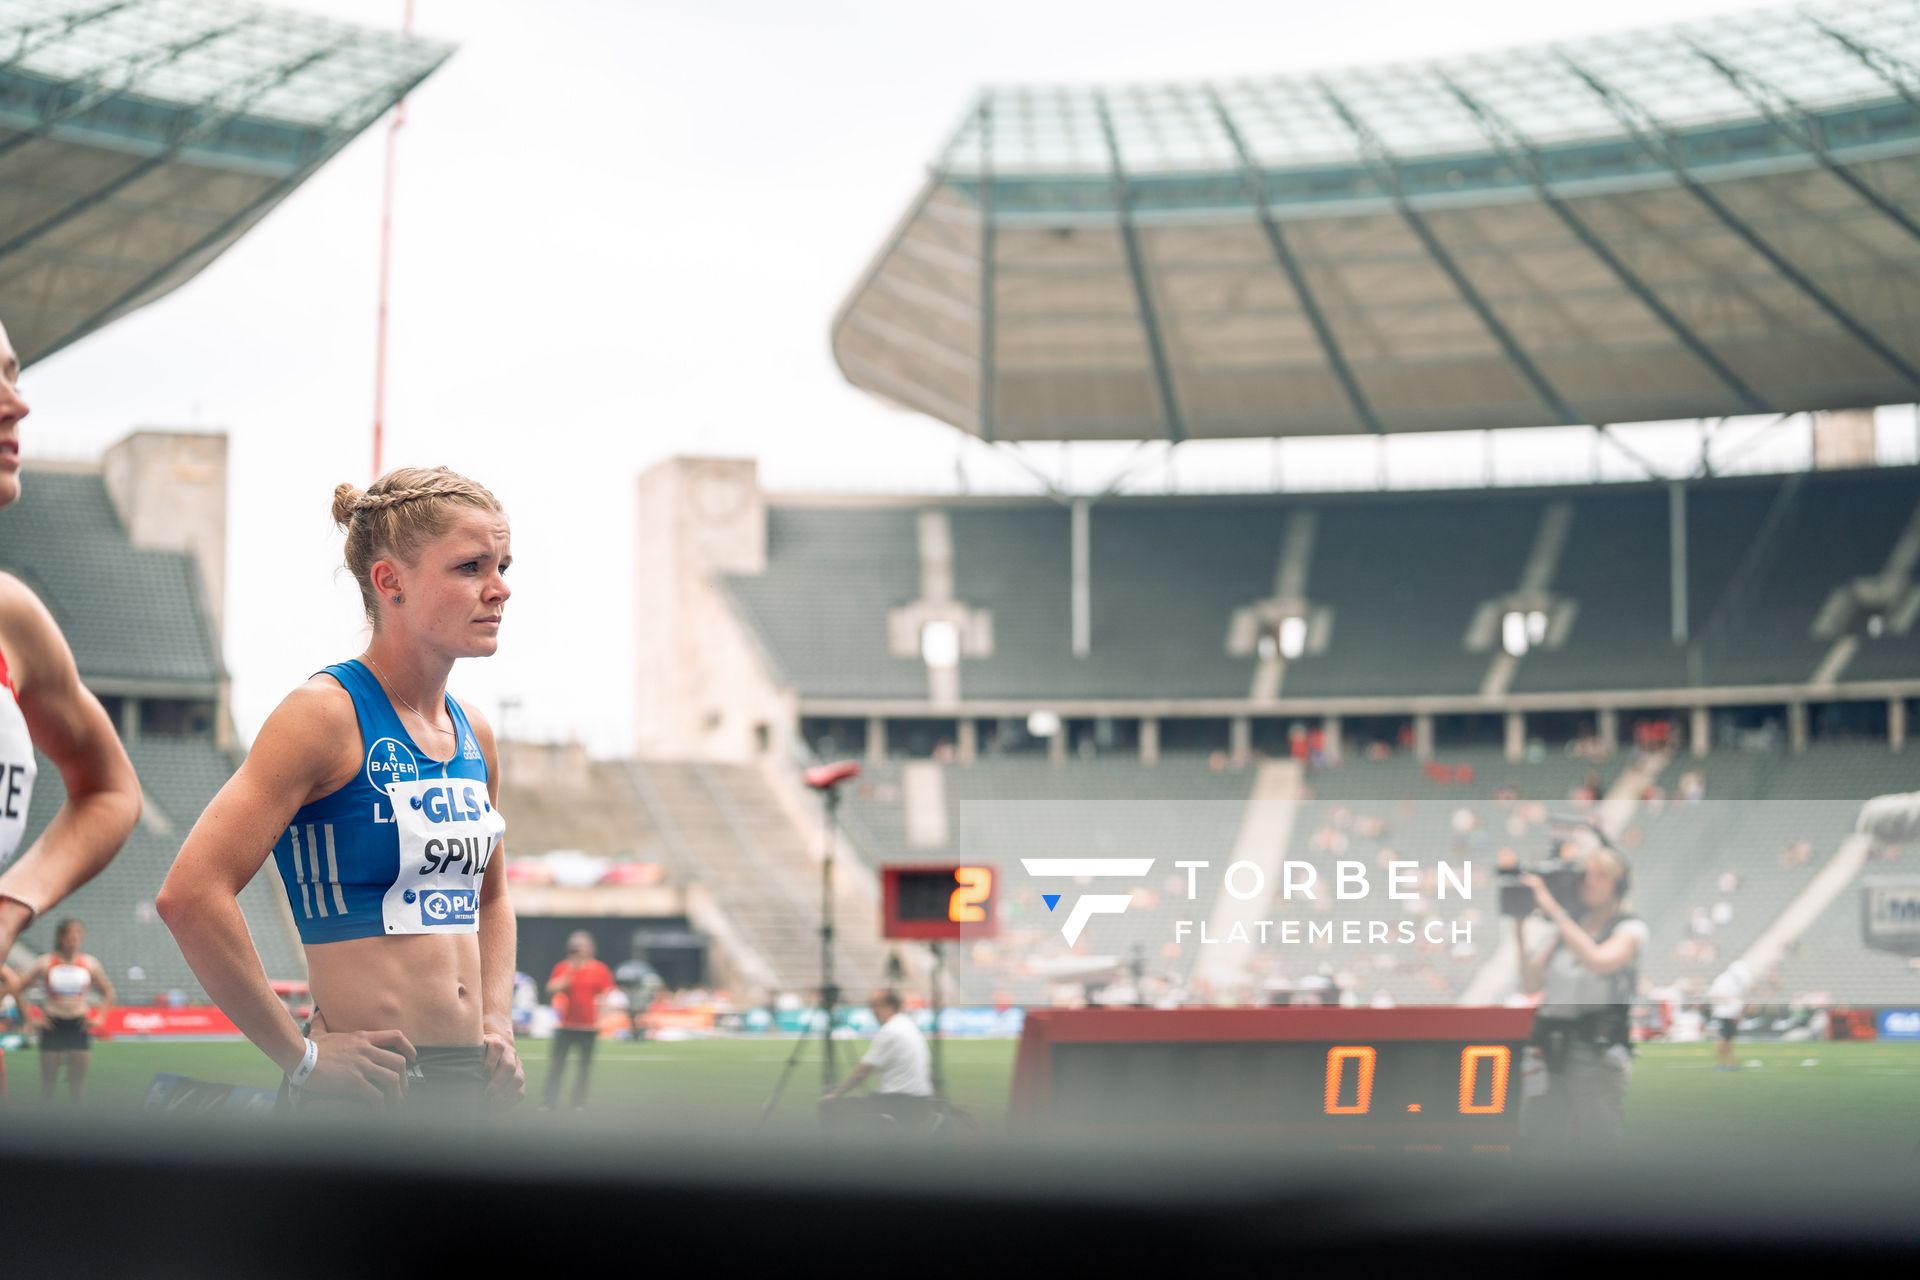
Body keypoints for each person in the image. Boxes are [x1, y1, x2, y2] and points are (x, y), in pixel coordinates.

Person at [158, 467, 524, 1122]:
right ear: (391, 583)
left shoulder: (476, 734)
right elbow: (189, 894)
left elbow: (491, 898)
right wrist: (301, 1057)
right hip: (369, 1094)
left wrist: (497, 1020)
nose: (500, 589)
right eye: (471, 567)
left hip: (472, 1089)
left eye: (502, 564)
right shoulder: (322, 716)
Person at [0, 317, 141, 1007]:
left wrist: (8, 907)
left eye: (12, 373)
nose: (18, 403)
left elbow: (110, 793)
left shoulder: (12, 619)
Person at [1518, 848, 1645, 1157]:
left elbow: (1599, 960)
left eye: (1601, 875)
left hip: (1595, 1051)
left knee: (1599, 1147)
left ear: (1620, 885)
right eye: (1586, 873)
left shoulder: (1629, 928)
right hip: (1551, 1048)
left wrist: (1554, 908)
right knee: (1538, 1145)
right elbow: (1531, 982)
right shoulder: (1565, 930)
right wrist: (1517, 925)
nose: (1589, 881)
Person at [4, 918, 113, 1103]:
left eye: (78, 934)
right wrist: (30, 1018)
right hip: (52, 1024)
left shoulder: (89, 963)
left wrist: (100, 1017)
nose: (73, 939)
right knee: (48, 1086)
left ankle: (76, 1125)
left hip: (78, 1024)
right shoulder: (45, 963)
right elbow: (17, 989)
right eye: (69, 934)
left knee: (77, 1087)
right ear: (60, 937)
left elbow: (108, 992)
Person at [820, 989, 934, 1129]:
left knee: (829, 1106)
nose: (872, 1010)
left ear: (890, 1007)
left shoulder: (890, 1030)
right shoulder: (906, 1024)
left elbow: (862, 1071)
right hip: (921, 1100)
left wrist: (836, 1093)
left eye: (875, 1005)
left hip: (899, 1102)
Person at [543, 930, 614, 1110]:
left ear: (590, 948)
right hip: (565, 1026)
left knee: (584, 1068)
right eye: (574, 946)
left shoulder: (599, 969)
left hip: (588, 1028)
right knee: (557, 1066)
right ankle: (549, 1101)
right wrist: (570, 972)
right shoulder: (563, 967)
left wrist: (601, 1021)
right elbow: (551, 989)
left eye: (581, 946)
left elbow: (605, 996)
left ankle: (578, 1103)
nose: (577, 950)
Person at [1708, 960, 1752, 1071]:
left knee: (1728, 1039)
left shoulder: (1733, 980)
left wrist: (1737, 1013)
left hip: (1730, 1014)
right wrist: (1727, 1002)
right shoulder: (1723, 979)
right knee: (1725, 1038)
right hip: (1724, 1014)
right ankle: (1721, 1063)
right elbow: (1714, 995)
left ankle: (1729, 1063)